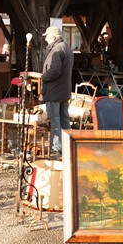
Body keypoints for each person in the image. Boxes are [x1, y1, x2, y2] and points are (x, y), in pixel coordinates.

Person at [41, 26, 74, 157]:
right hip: (64, 90)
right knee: (64, 118)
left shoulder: (56, 50)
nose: (45, 39)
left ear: (54, 37)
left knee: (55, 119)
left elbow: (55, 71)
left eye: (47, 37)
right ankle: (69, 144)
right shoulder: (66, 48)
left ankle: (57, 147)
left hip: (54, 91)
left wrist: (42, 77)